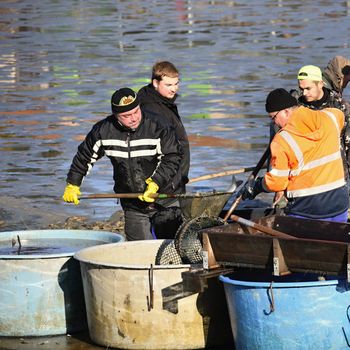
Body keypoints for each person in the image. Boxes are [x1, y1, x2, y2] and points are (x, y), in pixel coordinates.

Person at [62, 87, 183, 241]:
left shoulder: (159, 126)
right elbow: (83, 156)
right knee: (139, 250)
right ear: (116, 115)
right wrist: (73, 183)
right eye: (126, 115)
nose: (133, 118)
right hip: (132, 202)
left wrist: (155, 183)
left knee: (171, 246)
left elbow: (172, 157)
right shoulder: (103, 131)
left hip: (165, 199)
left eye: (136, 111)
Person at [243, 88, 349, 223]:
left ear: (286, 111)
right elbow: (340, 115)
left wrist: (257, 186)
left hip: (307, 208)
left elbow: (277, 182)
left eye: (273, 117)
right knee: (336, 242)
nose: (274, 123)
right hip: (339, 202)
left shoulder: (282, 140)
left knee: (297, 241)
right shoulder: (331, 117)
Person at [138, 61, 190, 192]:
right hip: (163, 183)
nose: (174, 89)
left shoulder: (165, 103)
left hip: (175, 178)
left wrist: (182, 177)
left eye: (176, 83)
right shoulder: (151, 109)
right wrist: (161, 182)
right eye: (168, 85)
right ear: (155, 83)